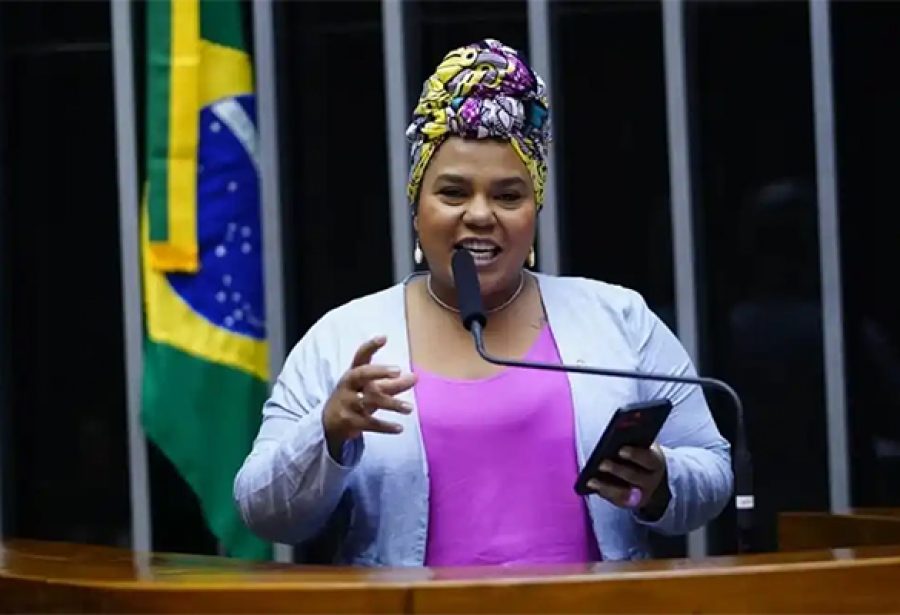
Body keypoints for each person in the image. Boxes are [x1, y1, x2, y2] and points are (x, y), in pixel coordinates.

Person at [234, 39, 732, 566]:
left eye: (508, 196)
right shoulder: (343, 337)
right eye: (453, 193)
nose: (479, 215)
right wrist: (328, 432)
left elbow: (713, 470)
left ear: (534, 211)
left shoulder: (619, 318)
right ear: (416, 209)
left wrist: (659, 483)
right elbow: (264, 514)